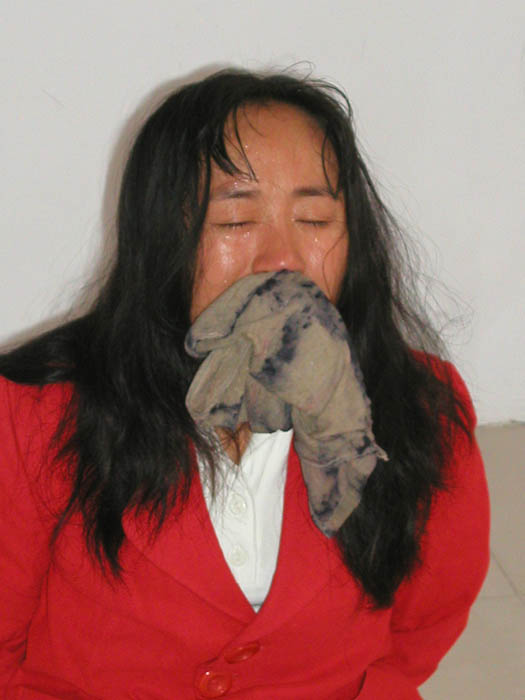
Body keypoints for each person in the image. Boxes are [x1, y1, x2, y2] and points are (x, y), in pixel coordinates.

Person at [0, 68, 489, 699]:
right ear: (161, 238)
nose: (283, 258)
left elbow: (423, 626)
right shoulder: (32, 413)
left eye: (315, 219)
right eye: (235, 221)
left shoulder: (420, 404)